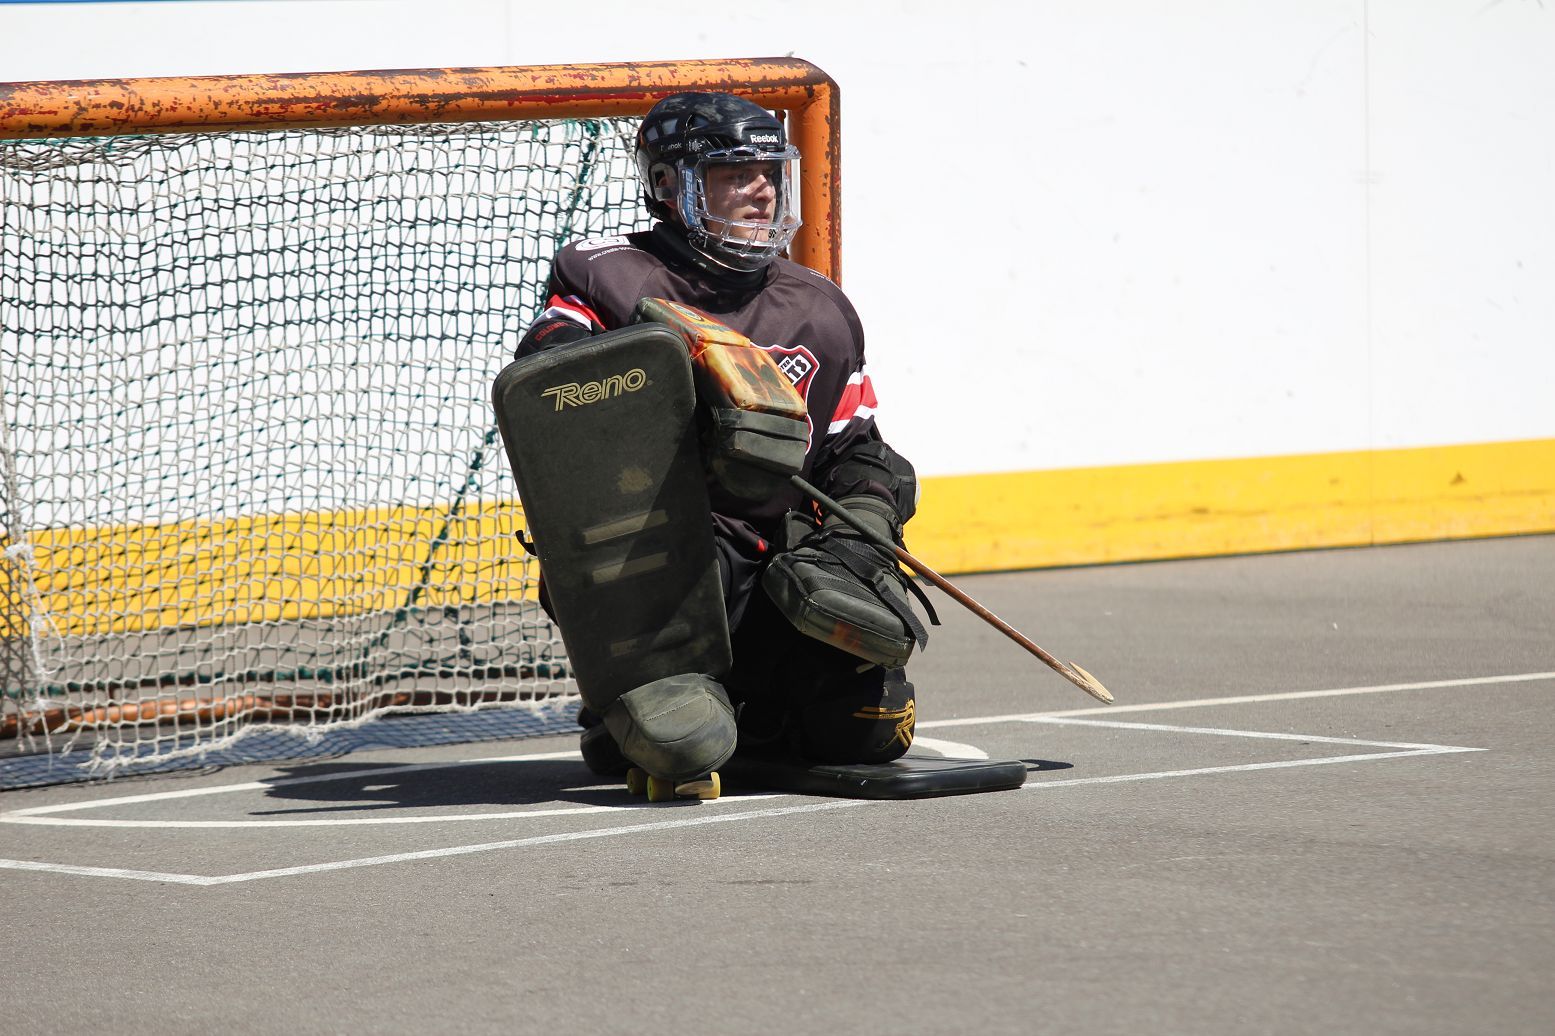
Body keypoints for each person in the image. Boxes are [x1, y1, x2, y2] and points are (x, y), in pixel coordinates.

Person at [513, 92, 928, 778]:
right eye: (736, 174)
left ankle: (750, 706)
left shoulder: (819, 309)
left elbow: (859, 448)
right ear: (667, 184)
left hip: (778, 570)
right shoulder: (606, 278)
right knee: (686, 747)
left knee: (867, 730)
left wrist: (858, 535)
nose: (762, 190)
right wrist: (677, 399)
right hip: (656, 567)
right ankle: (641, 698)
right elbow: (547, 392)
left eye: (770, 173)